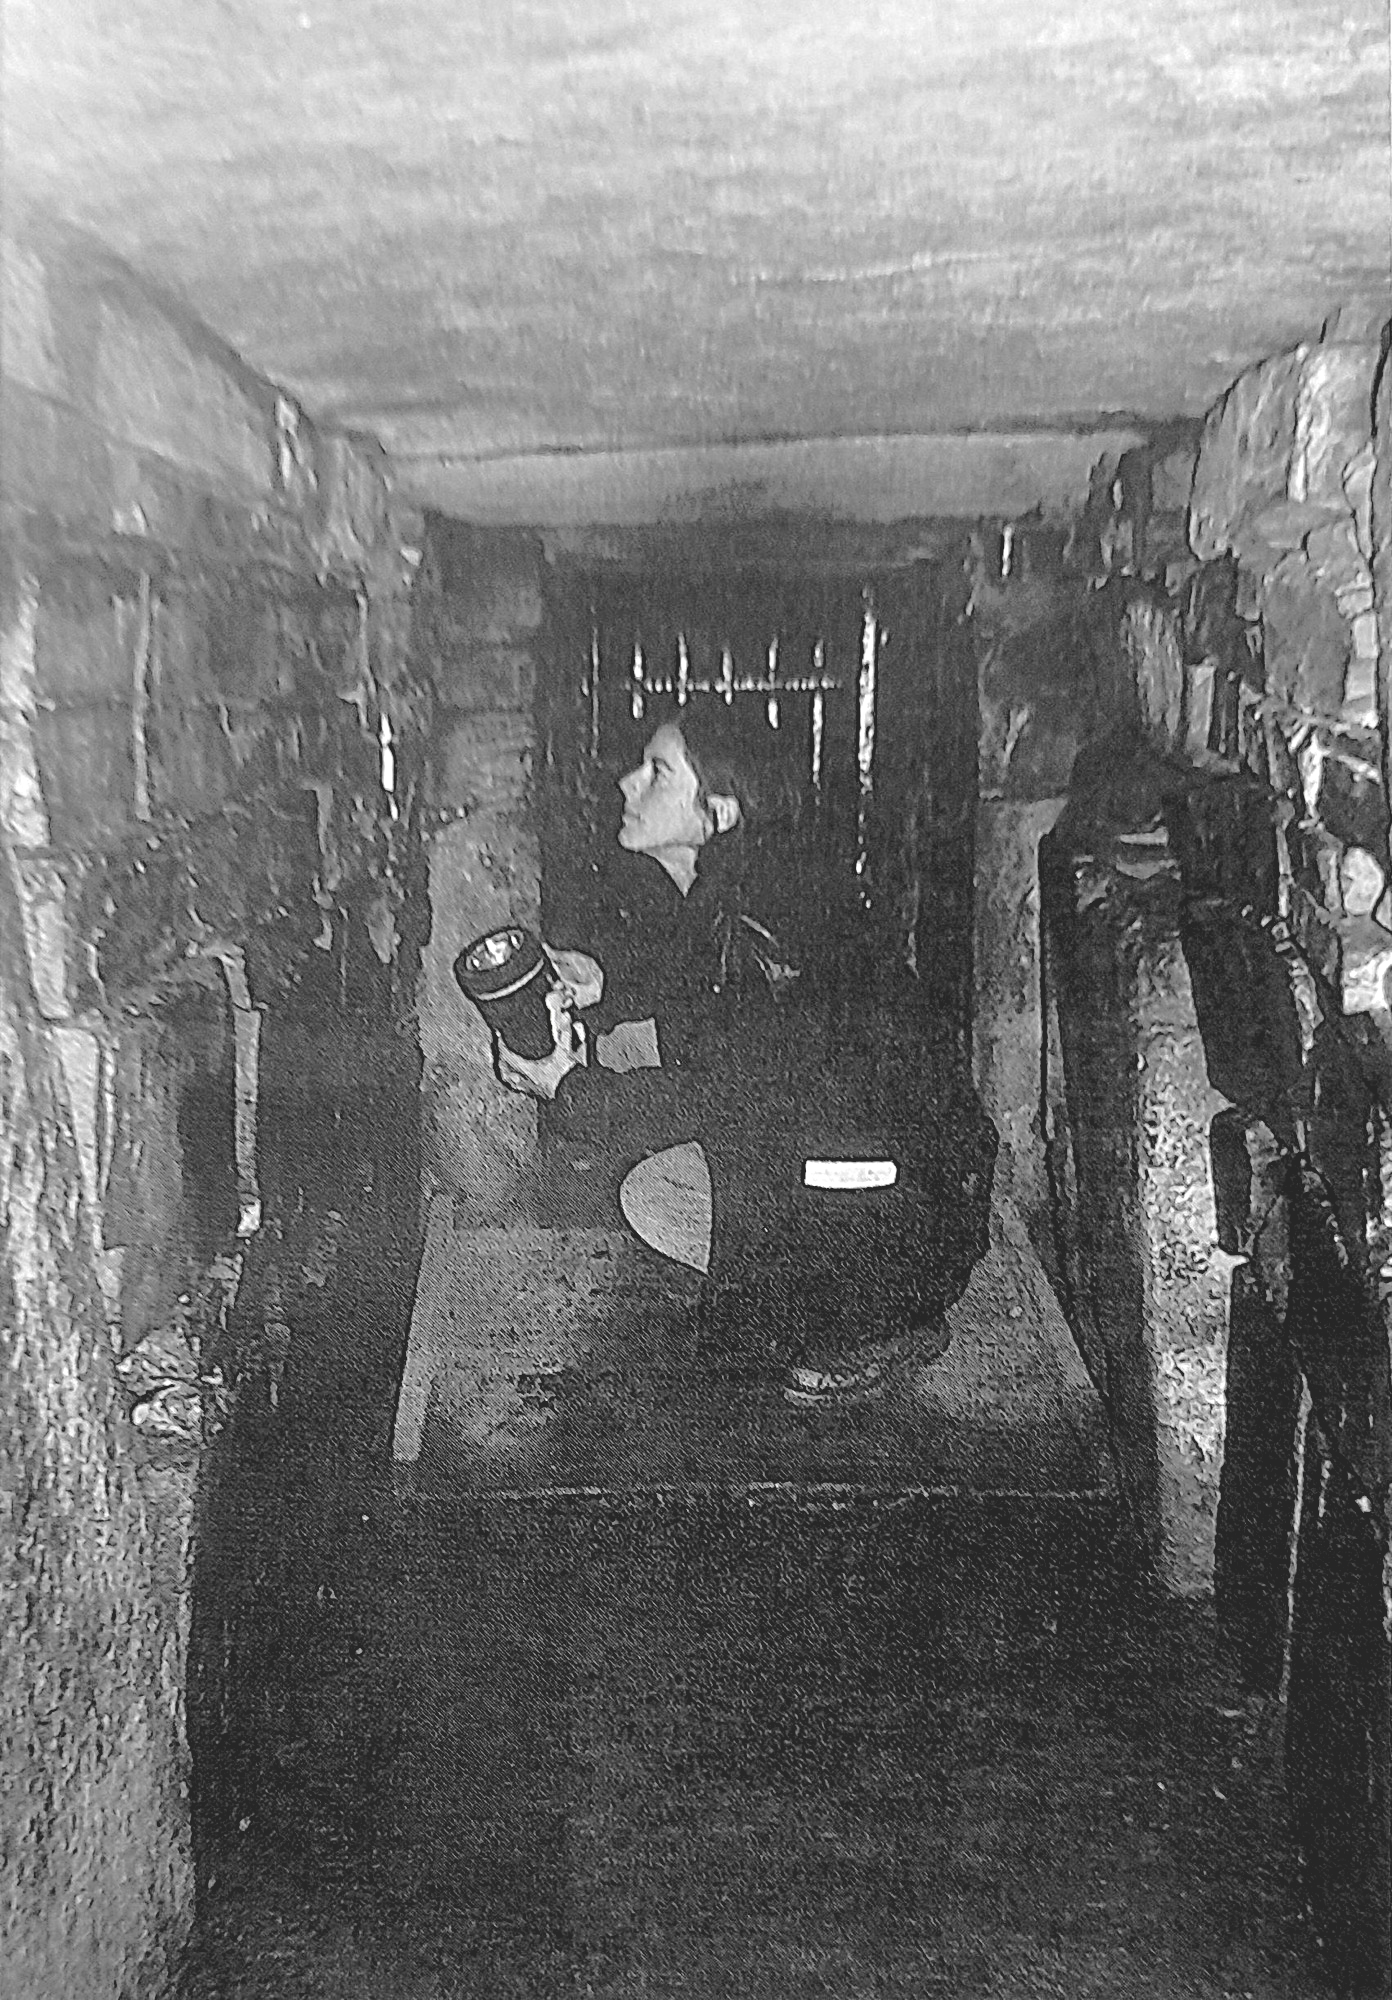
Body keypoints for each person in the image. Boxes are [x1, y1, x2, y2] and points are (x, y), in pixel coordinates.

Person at [490, 700, 997, 1403]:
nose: (627, 785)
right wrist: (601, 980)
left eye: (657, 773)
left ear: (719, 814)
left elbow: (724, 1091)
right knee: (645, 1126)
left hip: (908, 1213)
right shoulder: (746, 890)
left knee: (658, 1193)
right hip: (885, 1172)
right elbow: (703, 993)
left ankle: (872, 1323)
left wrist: (566, 1088)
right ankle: (818, 1281)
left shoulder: (766, 927)